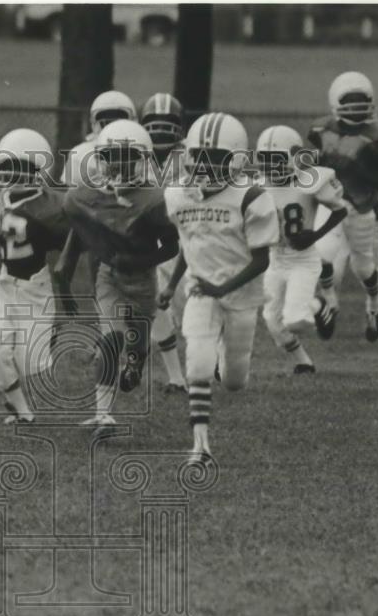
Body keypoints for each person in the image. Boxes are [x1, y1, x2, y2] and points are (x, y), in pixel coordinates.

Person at [161, 113, 278, 464]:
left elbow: (261, 261)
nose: (205, 164)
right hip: (201, 291)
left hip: (241, 295)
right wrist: (170, 285)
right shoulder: (179, 195)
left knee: (234, 380)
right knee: (196, 363)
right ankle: (201, 446)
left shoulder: (251, 197)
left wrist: (222, 287)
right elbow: (189, 243)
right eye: (200, 155)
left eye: (216, 157)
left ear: (237, 159)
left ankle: (225, 360)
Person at [56, 119, 179, 430]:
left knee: (136, 345)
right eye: (112, 157)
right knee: (111, 338)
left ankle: (136, 363)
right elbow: (77, 231)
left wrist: (140, 258)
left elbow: (172, 247)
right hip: (108, 275)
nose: (119, 166)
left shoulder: (154, 199)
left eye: (127, 158)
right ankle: (103, 413)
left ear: (142, 160)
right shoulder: (84, 194)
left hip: (142, 280)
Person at [0, 128, 69, 424]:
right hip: (5, 286)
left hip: (35, 289)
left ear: (38, 170)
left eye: (21, 167)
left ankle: (48, 335)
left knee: (31, 364)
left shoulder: (52, 206)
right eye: (8, 165)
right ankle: (23, 412)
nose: (13, 174)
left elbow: (72, 243)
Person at [307, 71, 378, 341]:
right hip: (331, 201)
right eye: (350, 102)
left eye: (361, 102)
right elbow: (315, 161)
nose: (356, 109)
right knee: (321, 256)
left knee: (364, 268)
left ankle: (374, 306)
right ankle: (329, 302)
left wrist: (357, 168)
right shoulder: (320, 130)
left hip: (361, 207)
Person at [255, 125, 347, 374]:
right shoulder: (257, 185)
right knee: (272, 321)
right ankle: (304, 362)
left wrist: (315, 235)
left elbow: (340, 210)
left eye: (276, 160)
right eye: (265, 160)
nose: (269, 166)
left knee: (295, 320)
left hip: (303, 260)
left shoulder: (309, 181)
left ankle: (318, 306)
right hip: (275, 259)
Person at [140, 92, 188, 394]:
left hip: (184, 241)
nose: (159, 130)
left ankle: (216, 359)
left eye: (167, 123)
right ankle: (176, 377)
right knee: (156, 307)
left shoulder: (191, 156)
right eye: (153, 124)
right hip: (149, 242)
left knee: (188, 307)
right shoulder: (135, 154)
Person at [62, 90, 137, 188]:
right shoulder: (79, 155)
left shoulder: (141, 147)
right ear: (94, 124)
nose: (113, 126)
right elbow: (72, 196)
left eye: (118, 120)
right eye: (106, 121)